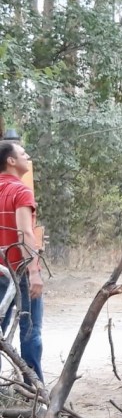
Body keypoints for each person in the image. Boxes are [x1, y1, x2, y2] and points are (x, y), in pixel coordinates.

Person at [0, 140, 45, 385]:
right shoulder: (20, 191)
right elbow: (25, 234)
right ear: (11, 161)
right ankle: (34, 388)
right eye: (23, 153)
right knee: (30, 331)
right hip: (19, 274)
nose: (28, 156)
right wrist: (34, 272)